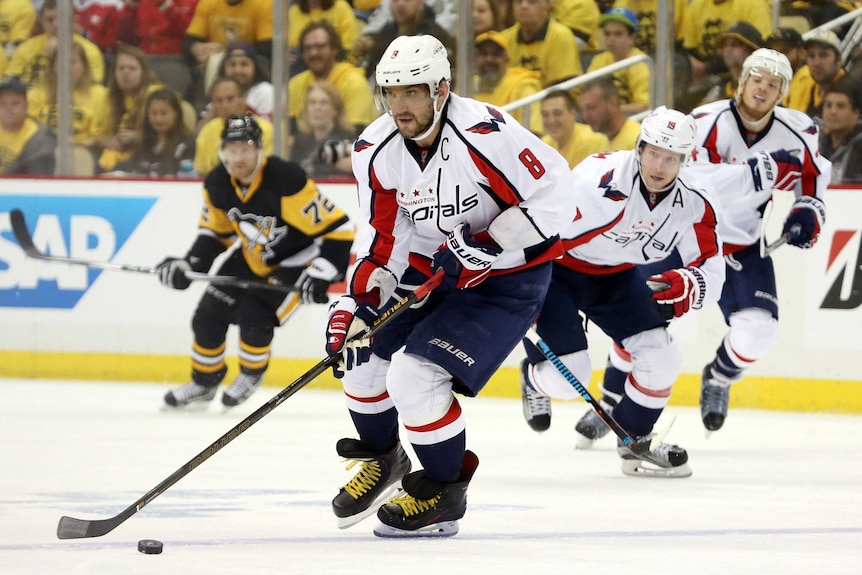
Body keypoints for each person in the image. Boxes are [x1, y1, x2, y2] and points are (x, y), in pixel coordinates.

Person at [325, 34, 575, 537]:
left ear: (441, 89)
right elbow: (382, 235)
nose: (399, 106)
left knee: (415, 377)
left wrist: (492, 239)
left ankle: (442, 492)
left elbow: (557, 192)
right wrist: (358, 302)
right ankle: (384, 458)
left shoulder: (485, 134)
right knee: (362, 357)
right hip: (433, 268)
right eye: (390, 94)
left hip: (508, 278)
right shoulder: (376, 149)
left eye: (411, 93)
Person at [519, 107, 730, 476]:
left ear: (686, 160)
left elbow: (712, 265)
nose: (659, 167)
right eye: (652, 153)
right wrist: (515, 286)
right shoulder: (595, 183)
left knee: (662, 356)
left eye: (671, 158)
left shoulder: (697, 199)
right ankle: (532, 378)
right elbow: (535, 232)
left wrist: (691, 283)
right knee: (570, 377)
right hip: (557, 273)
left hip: (615, 276)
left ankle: (635, 441)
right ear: (639, 148)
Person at [158, 113, 355, 408]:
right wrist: (190, 264)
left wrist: (323, 272)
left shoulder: (285, 180)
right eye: (232, 150)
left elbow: (339, 227)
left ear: (259, 149)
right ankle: (204, 381)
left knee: (255, 315)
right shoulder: (218, 183)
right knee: (207, 315)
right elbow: (216, 234)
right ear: (223, 151)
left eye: (246, 148)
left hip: (296, 261)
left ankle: (250, 374)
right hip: (251, 256)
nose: (239, 157)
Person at [687, 49, 830, 433]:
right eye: (757, 80)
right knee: (643, 321)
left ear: (782, 93)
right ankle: (616, 401)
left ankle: (718, 376)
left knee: (759, 332)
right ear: (742, 81)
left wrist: (807, 211)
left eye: (773, 84)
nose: (762, 89)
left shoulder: (798, 130)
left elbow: (812, 177)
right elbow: (693, 183)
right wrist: (757, 170)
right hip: (684, 238)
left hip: (742, 242)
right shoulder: (704, 122)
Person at [287, 20, 376, 135]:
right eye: (307, 48)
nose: (313, 53)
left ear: (334, 49)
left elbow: (357, 134)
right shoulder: (295, 83)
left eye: (319, 46)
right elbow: (289, 133)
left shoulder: (354, 82)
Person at [26, 41, 108, 153]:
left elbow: (97, 136)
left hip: (81, 151)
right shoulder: (38, 92)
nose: (66, 67)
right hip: (41, 150)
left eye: (72, 62)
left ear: (83, 66)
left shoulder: (99, 94)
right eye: (61, 62)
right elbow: (28, 128)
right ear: (53, 67)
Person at [4, 0, 105, 90]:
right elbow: (10, 81)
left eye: (61, 18)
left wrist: (55, 57)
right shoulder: (26, 48)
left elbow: (93, 86)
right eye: (49, 19)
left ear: (73, 21)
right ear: (41, 22)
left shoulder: (89, 51)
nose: (55, 24)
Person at [94, 44, 162, 172]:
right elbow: (97, 134)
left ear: (144, 72)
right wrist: (109, 141)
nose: (125, 73)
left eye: (132, 68)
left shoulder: (157, 95)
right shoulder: (107, 96)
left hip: (146, 159)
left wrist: (139, 137)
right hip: (111, 160)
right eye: (121, 68)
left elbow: (171, 133)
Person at [193, 77, 274, 175]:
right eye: (219, 100)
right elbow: (201, 172)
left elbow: (267, 169)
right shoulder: (207, 131)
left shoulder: (265, 129)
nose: (225, 105)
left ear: (243, 99)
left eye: (230, 99)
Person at [112, 87, 196, 177]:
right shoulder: (145, 143)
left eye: (164, 113)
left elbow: (187, 178)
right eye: (154, 113)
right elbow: (132, 168)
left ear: (176, 114)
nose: (158, 119)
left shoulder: (186, 144)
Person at [472, 30, 543, 135]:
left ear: (506, 59)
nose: (489, 59)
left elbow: (534, 134)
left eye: (495, 54)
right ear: (475, 59)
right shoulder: (468, 85)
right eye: (483, 54)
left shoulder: (523, 86)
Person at [500, 0, 582, 88]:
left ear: (547, 6)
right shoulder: (503, 38)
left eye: (532, 2)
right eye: (518, 2)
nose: (523, 6)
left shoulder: (561, 36)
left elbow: (563, 87)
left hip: (552, 96)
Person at [586, 7, 650, 115]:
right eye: (607, 34)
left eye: (618, 34)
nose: (611, 39)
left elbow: (643, 106)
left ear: (632, 38)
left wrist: (608, 109)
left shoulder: (640, 63)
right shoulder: (598, 60)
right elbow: (588, 97)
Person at [288, 79, 354, 179]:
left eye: (324, 103)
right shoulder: (299, 143)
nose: (317, 108)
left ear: (335, 109)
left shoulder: (347, 142)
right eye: (312, 102)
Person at [785, 29, 846, 120]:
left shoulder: (851, 94)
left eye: (823, 55)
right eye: (811, 56)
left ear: (839, 59)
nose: (816, 63)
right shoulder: (808, 85)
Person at [540, 90, 610, 169]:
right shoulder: (544, 143)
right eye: (545, 115)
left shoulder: (593, 140)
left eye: (557, 113)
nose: (551, 120)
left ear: (573, 113)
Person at [0, 75, 55, 174]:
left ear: (26, 106)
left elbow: (36, 182)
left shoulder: (40, 140)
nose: (8, 109)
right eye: (3, 104)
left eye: (15, 103)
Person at [697, 21, 762, 106]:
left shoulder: (762, 87)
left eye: (735, 45)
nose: (728, 50)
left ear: (752, 51)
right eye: (725, 45)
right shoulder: (720, 87)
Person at [577, 77, 641, 150]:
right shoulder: (602, 142)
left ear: (612, 103)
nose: (586, 116)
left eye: (591, 107)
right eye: (582, 110)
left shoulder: (637, 141)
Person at [216, 41, 274, 121]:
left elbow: (266, 130)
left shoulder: (265, 91)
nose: (237, 70)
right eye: (232, 65)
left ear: (255, 68)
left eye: (244, 64)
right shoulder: (219, 92)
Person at [819, 77, 862, 184]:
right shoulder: (818, 144)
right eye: (828, 105)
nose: (833, 111)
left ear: (856, 113)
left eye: (840, 106)